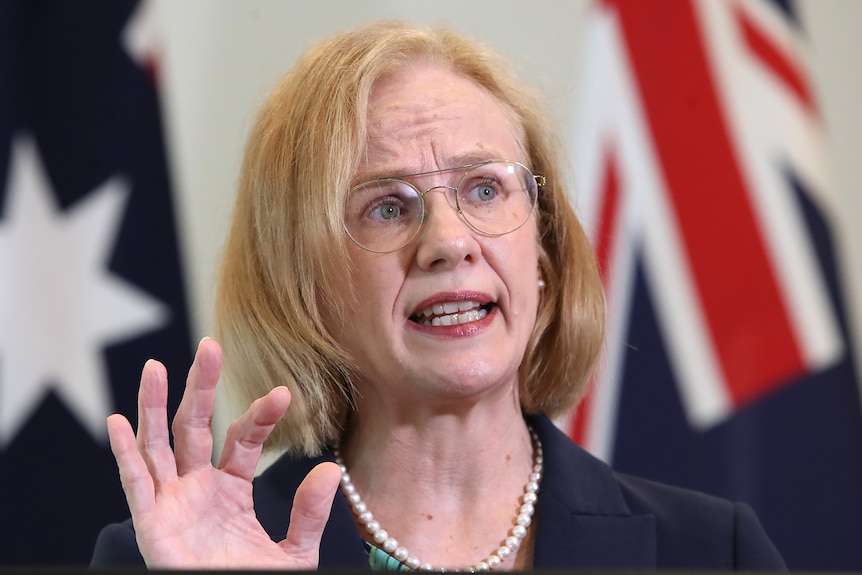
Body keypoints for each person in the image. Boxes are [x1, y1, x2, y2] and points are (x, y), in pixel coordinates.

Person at [90, 20, 785, 571]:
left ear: (542, 253)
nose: (449, 240)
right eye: (387, 206)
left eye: (485, 189)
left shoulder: (713, 551)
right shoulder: (166, 559)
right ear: (305, 283)